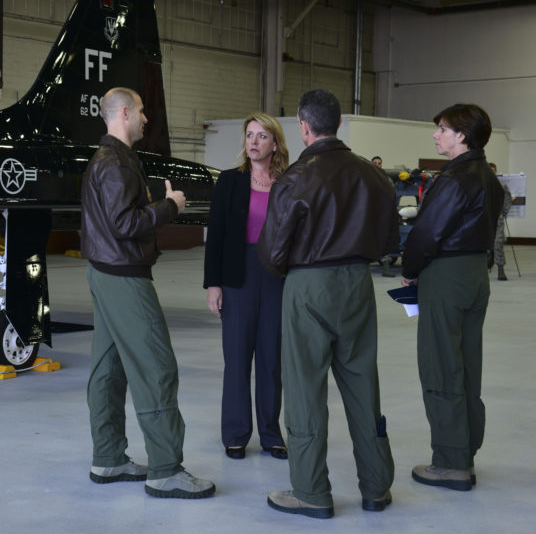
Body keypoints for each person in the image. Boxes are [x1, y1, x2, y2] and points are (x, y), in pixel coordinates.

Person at [258, 89, 397, 519]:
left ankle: (312, 491)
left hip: (308, 284)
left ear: (303, 125)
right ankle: (376, 488)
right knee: (361, 383)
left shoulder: (296, 178)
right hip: (358, 284)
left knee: (304, 388)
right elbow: (391, 242)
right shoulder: (374, 177)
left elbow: (272, 252)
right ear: (338, 123)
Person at [81, 87, 215, 499]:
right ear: (123, 113)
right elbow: (126, 223)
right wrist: (171, 205)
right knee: (156, 366)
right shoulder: (116, 163)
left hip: (104, 271)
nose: (145, 119)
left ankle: (108, 458)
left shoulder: (106, 161)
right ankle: (166, 468)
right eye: (140, 111)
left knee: (108, 368)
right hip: (124, 276)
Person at [401, 104, 503, 491]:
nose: (436, 135)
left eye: (442, 129)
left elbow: (427, 234)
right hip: (476, 273)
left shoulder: (455, 178)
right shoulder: (489, 179)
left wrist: (409, 269)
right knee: (466, 365)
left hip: (446, 274)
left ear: (462, 135)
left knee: (441, 365)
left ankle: (450, 462)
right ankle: (466, 450)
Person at [203, 113, 289, 461]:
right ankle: (236, 433)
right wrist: (213, 284)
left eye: (262, 136)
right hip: (237, 276)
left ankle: (270, 434)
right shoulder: (229, 182)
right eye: (249, 135)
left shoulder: (289, 182)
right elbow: (216, 236)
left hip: (277, 277)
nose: (253, 142)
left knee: (271, 360)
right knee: (236, 359)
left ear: (275, 144)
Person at [372, 155, 397, 277]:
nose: (378, 165)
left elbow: (392, 196)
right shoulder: (366, 177)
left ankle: (386, 268)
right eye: (375, 163)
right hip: (369, 214)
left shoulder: (388, 180)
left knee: (385, 240)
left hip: (384, 214)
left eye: (379, 163)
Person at [488, 162, 513, 281]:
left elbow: (507, 199)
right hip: (484, 219)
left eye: (493, 170)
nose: (492, 172)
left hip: (497, 218)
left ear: (496, 171)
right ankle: (486, 264)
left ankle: (500, 270)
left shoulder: (502, 185)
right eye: (490, 170)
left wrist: (503, 213)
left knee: (498, 244)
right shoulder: (481, 184)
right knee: (484, 244)